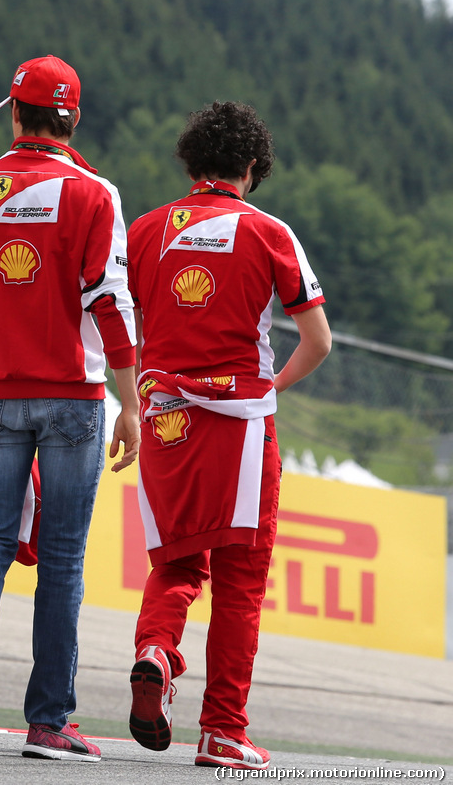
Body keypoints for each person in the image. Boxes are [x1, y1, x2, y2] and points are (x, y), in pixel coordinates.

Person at [0, 55, 140, 761]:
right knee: (62, 559)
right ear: (73, 118)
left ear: (15, 115)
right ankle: (49, 723)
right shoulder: (94, 193)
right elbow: (109, 303)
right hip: (75, 399)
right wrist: (133, 400)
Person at [124, 101, 331, 770]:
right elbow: (317, 342)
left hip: (163, 417)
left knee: (177, 564)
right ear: (251, 166)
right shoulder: (270, 231)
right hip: (241, 424)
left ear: (191, 161)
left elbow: (115, 329)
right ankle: (222, 731)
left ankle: (156, 650)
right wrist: (267, 392)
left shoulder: (146, 231)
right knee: (240, 582)